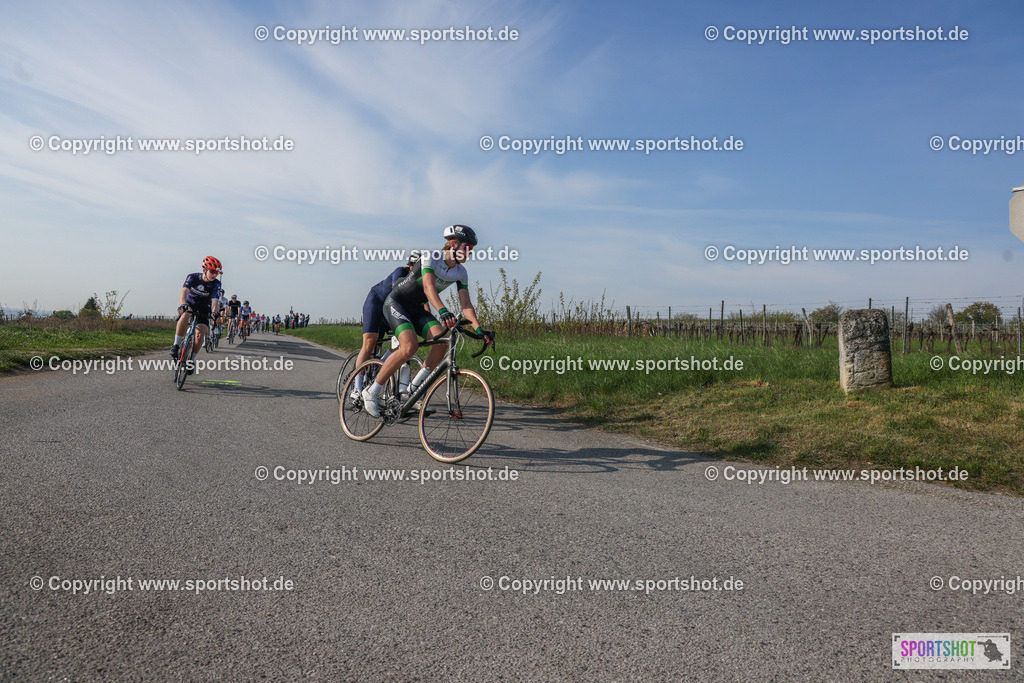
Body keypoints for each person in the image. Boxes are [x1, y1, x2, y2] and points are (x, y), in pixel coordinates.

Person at [362, 225, 494, 417]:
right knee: (409, 347)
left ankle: (412, 392)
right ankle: (371, 391)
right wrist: (443, 311)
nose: (470, 253)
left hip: (416, 309)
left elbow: (466, 305)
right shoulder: (432, 257)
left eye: (472, 250)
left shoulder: (461, 272)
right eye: (467, 248)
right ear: (452, 244)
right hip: (397, 303)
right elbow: (428, 286)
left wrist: (480, 330)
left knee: (441, 344)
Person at [349, 255, 421, 399]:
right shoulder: (401, 272)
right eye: (414, 265)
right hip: (376, 303)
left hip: (390, 309)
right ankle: (357, 388)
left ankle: (379, 364)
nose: (417, 270)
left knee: (401, 343)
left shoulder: (419, 282)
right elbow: (396, 291)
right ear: (410, 265)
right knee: (369, 343)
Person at [172, 256, 223, 368]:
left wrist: (214, 312)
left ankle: (191, 360)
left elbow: (215, 300)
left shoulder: (216, 284)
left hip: (205, 307)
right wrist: (183, 303)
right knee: (186, 314)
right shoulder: (193, 277)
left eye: (217, 272)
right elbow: (184, 291)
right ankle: (176, 345)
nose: (215, 275)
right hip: (190, 303)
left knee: (200, 334)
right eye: (213, 271)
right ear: (204, 270)